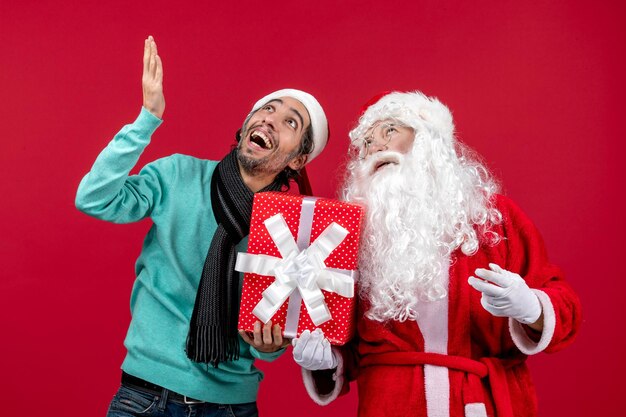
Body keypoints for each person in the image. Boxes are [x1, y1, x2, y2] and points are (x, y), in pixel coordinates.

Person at [75, 36, 328, 417]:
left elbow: (267, 342)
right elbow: (94, 198)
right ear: (245, 128)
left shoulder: (292, 228)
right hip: (145, 398)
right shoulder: (177, 174)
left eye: (289, 122)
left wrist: (270, 344)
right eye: (266, 109)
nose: (269, 119)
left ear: (298, 158)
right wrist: (147, 120)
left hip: (231, 405)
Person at [291, 91, 581, 417]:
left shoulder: (495, 218)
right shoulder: (353, 238)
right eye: (367, 143)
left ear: (429, 140)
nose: (376, 147)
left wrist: (532, 307)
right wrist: (327, 361)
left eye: (389, 130)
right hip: (390, 406)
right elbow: (350, 346)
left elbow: (564, 305)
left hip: (481, 405)